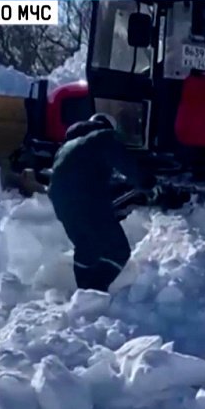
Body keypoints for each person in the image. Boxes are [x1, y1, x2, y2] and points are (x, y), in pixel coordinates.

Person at [48, 114, 156, 292]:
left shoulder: (67, 146)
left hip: (61, 202)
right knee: (119, 251)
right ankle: (97, 289)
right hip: (87, 200)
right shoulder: (103, 136)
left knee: (85, 248)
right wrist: (146, 181)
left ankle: (84, 292)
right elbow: (123, 162)